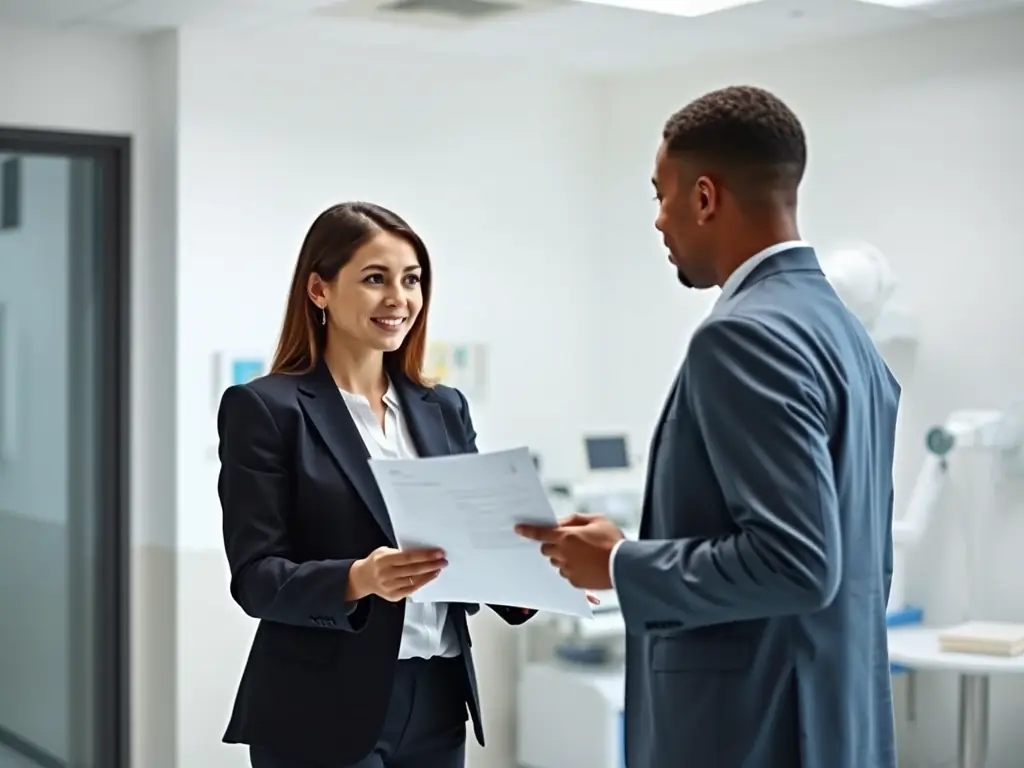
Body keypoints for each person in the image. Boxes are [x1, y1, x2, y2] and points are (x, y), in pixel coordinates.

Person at [517, 86, 901, 768]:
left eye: (660, 195)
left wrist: (616, 563)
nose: (659, 221)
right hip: (836, 715)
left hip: (751, 729)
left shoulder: (742, 336)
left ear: (703, 197)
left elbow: (796, 561)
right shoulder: (847, 337)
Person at [217, 201, 536, 768]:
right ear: (319, 289)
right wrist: (359, 578)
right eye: (374, 279)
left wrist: (541, 574)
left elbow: (473, 545)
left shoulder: (443, 407)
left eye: (411, 280)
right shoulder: (266, 408)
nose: (399, 299)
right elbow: (256, 578)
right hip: (319, 708)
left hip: (438, 700)